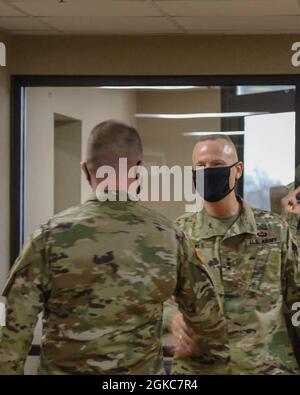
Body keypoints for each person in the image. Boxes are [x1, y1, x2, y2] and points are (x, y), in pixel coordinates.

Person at [0, 120, 228, 375]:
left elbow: (10, 326)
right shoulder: (170, 237)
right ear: (139, 169)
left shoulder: (48, 237)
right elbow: (210, 319)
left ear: (85, 170)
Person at [165, 134, 300, 375]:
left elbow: (297, 297)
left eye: (217, 164)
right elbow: (158, 294)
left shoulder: (273, 229)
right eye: (201, 165)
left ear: (237, 170)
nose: (208, 171)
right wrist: (172, 317)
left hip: (263, 366)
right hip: (199, 369)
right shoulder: (180, 232)